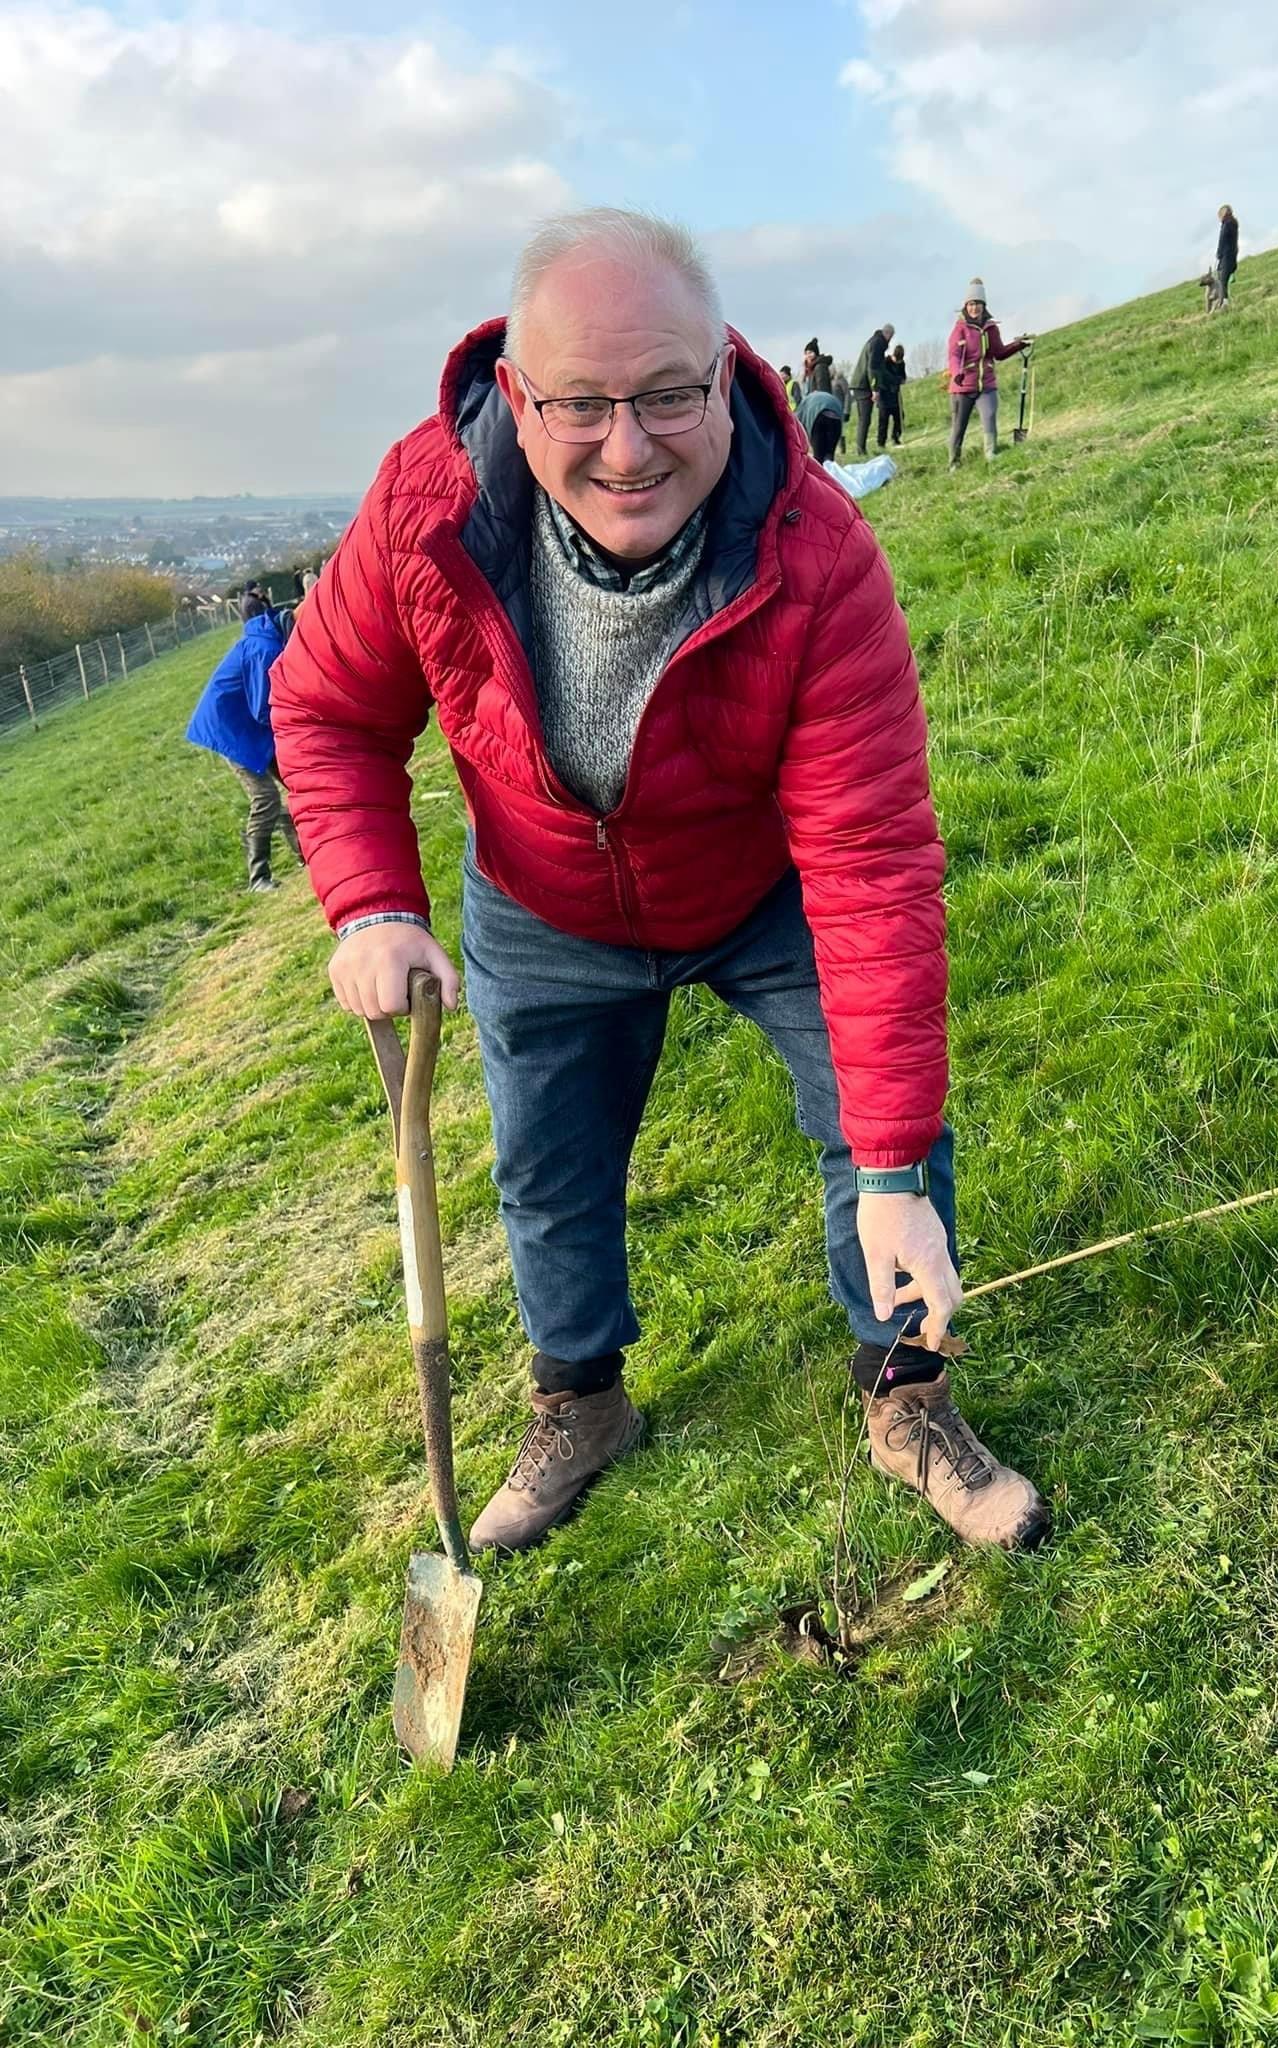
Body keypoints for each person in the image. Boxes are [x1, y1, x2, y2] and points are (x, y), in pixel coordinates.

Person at [271, 207, 1050, 1560]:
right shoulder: (425, 512)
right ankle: (580, 1402)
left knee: (888, 1138)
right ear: (517, 395)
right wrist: (373, 903)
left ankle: (906, 1393)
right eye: (582, 403)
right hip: (541, 902)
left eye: (669, 395)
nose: (628, 448)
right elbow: (327, 710)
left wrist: (889, 1163)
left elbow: (869, 868)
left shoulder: (816, 559)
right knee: (548, 1174)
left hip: (763, 891)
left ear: (724, 375)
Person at [186, 608, 304, 893]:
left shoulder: (272, 639)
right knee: (265, 797)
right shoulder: (265, 649)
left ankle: (305, 852)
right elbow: (264, 709)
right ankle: (258, 877)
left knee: (298, 784)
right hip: (231, 730)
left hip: (249, 727)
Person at [946, 279, 1029, 470]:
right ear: (966, 306)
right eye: (971, 304)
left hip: (986, 384)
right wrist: (957, 372)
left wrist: (1019, 345)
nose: (975, 308)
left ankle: (990, 453)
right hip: (963, 386)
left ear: (984, 306)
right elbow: (954, 354)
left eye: (978, 304)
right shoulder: (959, 329)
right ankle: (954, 462)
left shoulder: (991, 328)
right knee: (959, 426)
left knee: (989, 416)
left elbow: (999, 353)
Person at [850, 323, 894, 457]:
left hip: (861, 383)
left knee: (864, 418)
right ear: (887, 334)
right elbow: (872, 368)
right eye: (891, 337)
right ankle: (860, 450)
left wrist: (894, 379)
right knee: (864, 418)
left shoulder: (874, 341)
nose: (890, 341)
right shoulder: (878, 343)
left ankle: (861, 448)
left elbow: (880, 369)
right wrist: (875, 388)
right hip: (863, 385)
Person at [796, 384, 845, 466]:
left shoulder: (805, 401)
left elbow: (798, 423)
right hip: (836, 418)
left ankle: (820, 474)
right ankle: (830, 472)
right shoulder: (826, 396)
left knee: (818, 456)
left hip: (819, 417)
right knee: (829, 454)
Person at [877, 341, 907, 449]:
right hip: (884, 395)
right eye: (896, 360)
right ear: (893, 355)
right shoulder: (886, 362)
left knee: (899, 416)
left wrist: (901, 380)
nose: (898, 362)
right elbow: (884, 377)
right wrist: (895, 380)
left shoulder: (901, 363)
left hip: (895, 395)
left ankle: (895, 437)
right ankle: (881, 443)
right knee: (883, 420)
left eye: (900, 361)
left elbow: (903, 378)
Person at [1214, 205, 1239, 309]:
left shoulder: (1227, 225)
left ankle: (1224, 303)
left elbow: (1222, 240)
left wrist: (1219, 253)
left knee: (1222, 280)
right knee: (1221, 278)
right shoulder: (1232, 223)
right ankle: (1222, 301)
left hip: (1226, 256)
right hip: (1230, 255)